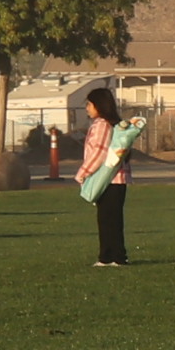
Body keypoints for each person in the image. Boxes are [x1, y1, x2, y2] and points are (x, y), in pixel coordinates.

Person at [74, 82, 138, 267]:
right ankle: (107, 256)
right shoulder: (110, 124)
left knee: (110, 219)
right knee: (107, 218)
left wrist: (83, 173)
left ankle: (117, 257)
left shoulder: (102, 125)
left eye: (89, 104)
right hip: (114, 180)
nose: (87, 108)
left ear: (99, 105)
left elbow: (99, 152)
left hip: (110, 180)